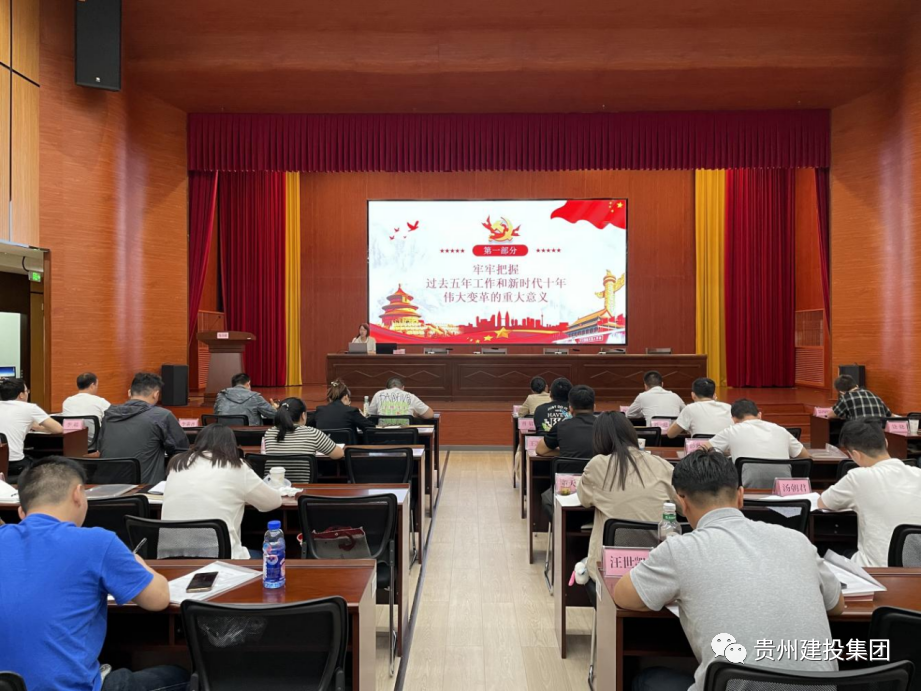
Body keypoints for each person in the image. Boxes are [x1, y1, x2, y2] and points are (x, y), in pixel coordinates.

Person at [613, 449, 844, 691]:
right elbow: (836, 605)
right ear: (741, 496)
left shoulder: (680, 550)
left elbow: (623, 595)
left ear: (682, 502)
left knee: (646, 679)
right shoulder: (797, 540)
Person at [0, 456, 188, 691]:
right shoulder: (97, 542)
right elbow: (158, 599)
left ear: (22, 511)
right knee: (179, 674)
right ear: (78, 494)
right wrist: (137, 561)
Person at [578, 412, 678, 583]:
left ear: (599, 438)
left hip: (610, 569)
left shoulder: (597, 465)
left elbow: (584, 500)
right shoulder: (662, 464)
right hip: (656, 567)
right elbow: (682, 506)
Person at [162, 424, 283, 559]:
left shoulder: (177, 463)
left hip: (170, 557)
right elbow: (273, 502)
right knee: (268, 557)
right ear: (232, 445)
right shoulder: (236, 466)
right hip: (220, 557)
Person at [818, 419, 921, 567]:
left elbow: (823, 503)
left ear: (855, 455)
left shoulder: (858, 477)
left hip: (875, 570)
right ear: (886, 443)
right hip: (915, 568)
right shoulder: (918, 474)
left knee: (825, 548)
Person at [98, 373, 190, 485]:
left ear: (129, 393)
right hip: (145, 488)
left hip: (107, 486)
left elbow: (101, 447)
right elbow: (182, 450)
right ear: (156, 394)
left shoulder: (108, 416)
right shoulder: (161, 416)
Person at [706, 398, 809, 487]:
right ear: (759, 415)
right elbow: (805, 456)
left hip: (746, 491)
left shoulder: (732, 430)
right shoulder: (780, 429)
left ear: (734, 419)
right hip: (784, 491)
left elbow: (703, 449)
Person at [263, 397, 344, 482]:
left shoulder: (269, 433)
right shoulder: (312, 433)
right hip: (303, 488)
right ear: (303, 415)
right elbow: (338, 454)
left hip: (274, 487)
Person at [0, 378, 63, 479]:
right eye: (27, 391)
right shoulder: (30, 408)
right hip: (14, 464)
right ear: (21, 395)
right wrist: (36, 427)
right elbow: (58, 429)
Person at [536, 385, 597, 459]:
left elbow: (540, 450)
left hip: (568, 466)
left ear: (570, 408)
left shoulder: (560, 426)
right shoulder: (605, 426)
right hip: (597, 466)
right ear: (594, 407)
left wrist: (565, 452)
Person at [308, 379, 374, 442]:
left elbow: (306, 425)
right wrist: (362, 417)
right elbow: (370, 427)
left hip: (324, 448)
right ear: (346, 397)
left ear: (330, 399)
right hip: (347, 448)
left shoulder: (320, 411)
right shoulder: (351, 411)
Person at [666, 377, 731, 438]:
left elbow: (670, 434)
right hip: (725, 446)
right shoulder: (729, 408)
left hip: (700, 446)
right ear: (714, 395)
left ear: (693, 395)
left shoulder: (690, 409)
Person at [61, 372, 111, 444]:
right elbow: (113, 417)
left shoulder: (67, 402)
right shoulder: (100, 402)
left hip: (71, 444)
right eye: (97, 385)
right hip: (94, 443)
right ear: (92, 385)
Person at [213, 372, 278, 426]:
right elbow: (274, 415)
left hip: (225, 433)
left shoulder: (221, 395)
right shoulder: (255, 396)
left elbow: (216, 415)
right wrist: (274, 408)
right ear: (248, 383)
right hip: (249, 434)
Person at [367, 376, 434, 420]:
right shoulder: (410, 396)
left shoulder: (378, 394)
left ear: (386, 388)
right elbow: (430, 415)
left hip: (382, 435)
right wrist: (415, 415)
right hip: (406, 435)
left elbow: (370, 415)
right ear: (403, 388)